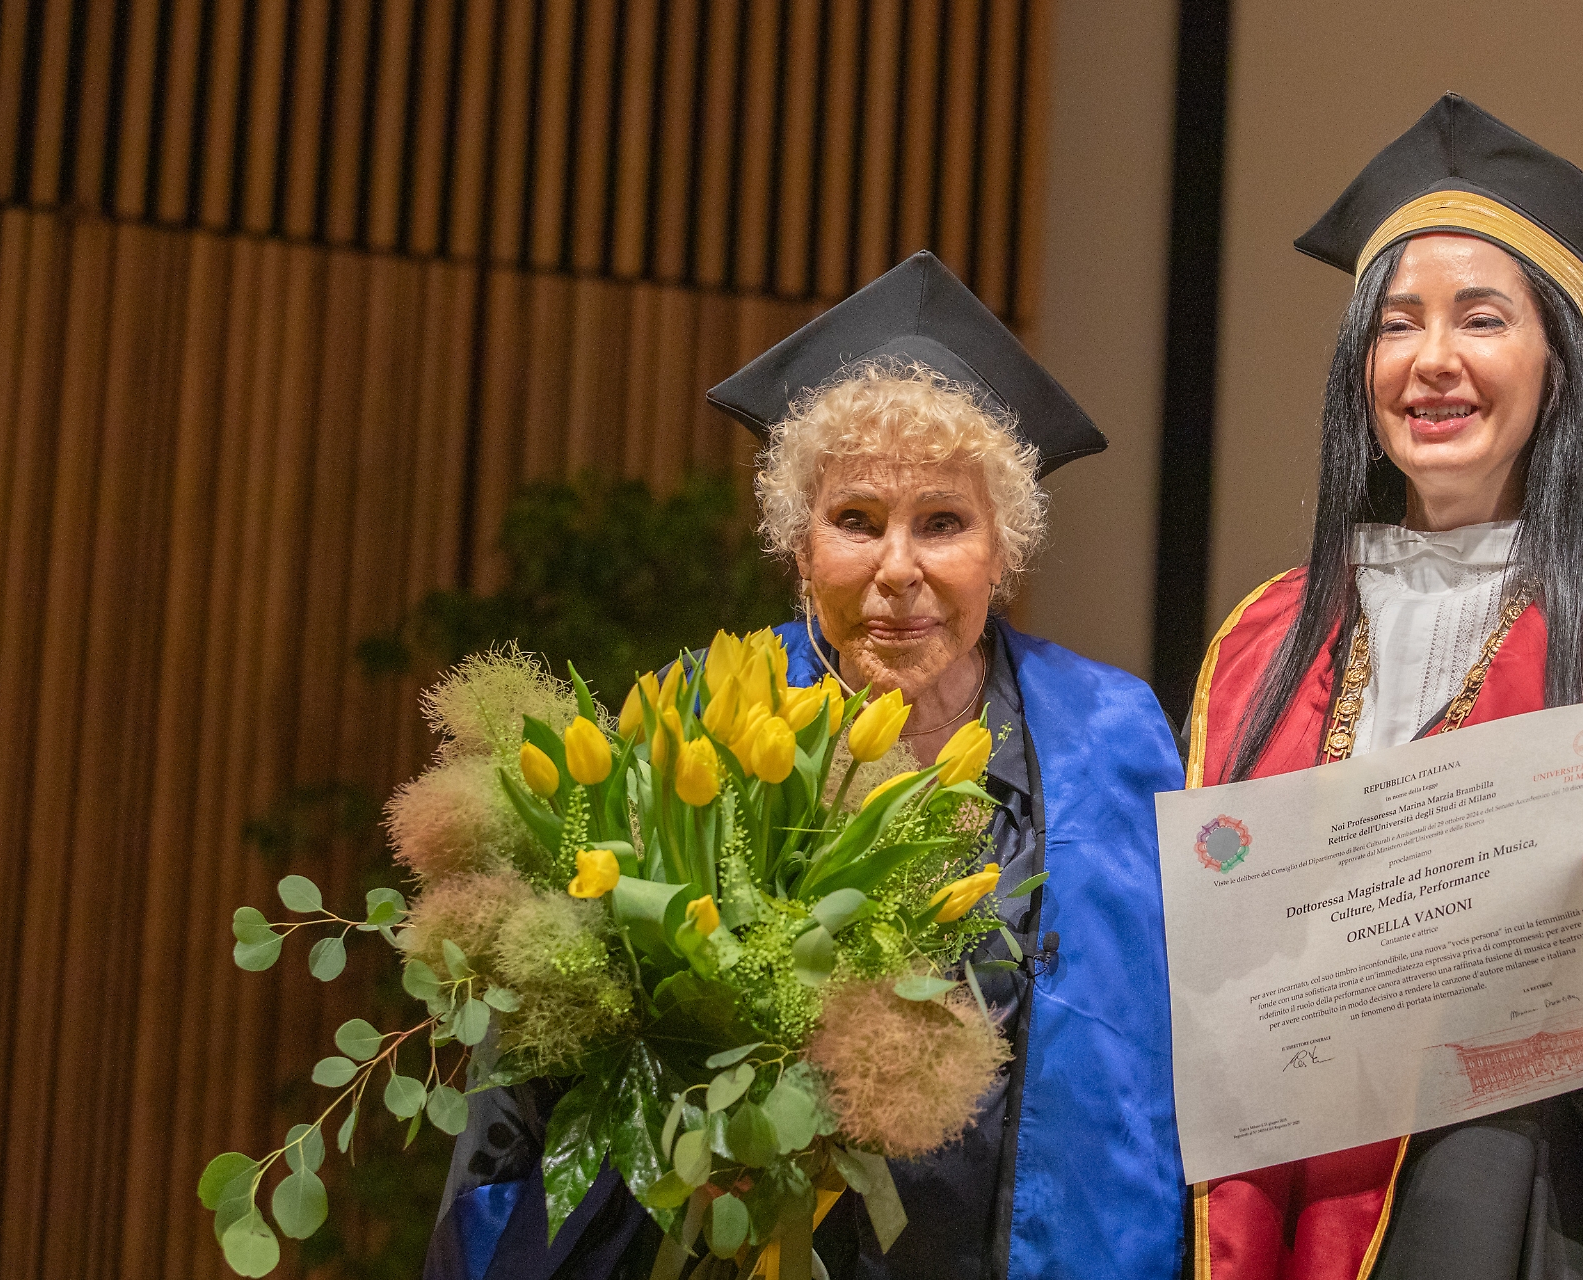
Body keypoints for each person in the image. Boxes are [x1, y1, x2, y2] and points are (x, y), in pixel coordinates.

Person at [423, 252, 1187, 1280]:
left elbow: (1170, 1057)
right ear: (797, 544)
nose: (898, 570)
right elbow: (540, 1078)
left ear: (1005, 550)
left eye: (944, 522)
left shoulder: (1112, 735)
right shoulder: (695, 716)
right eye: (857, 520)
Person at [1184, 96, 1583, 1280]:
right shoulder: (1260, 644)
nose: (1433, 358)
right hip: (1277, 1218)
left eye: (1481, 318)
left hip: (1517, 1216)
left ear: (1557, 365)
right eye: (1398, 325)